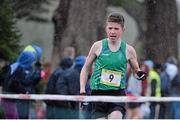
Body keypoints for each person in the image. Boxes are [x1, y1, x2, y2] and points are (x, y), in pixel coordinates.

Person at [80, 12, 146, 119]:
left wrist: (140, 75)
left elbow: (136, 71)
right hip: (98, 93)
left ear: (123, 29)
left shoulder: (129, 50)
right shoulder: (98, 46)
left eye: (116, 29)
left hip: (117, 94)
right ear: (106, 28)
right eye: (110, 28)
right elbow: (86, 68)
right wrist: (82, 90)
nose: (112, 32)